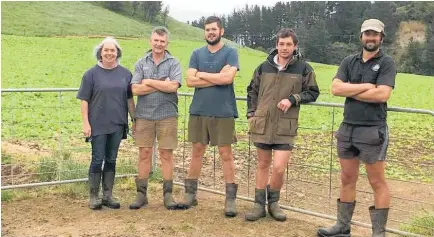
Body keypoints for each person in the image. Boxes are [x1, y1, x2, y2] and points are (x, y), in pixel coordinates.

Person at [317, 19, 396, 237]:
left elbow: (382, 94)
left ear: (381, 37)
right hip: (347, 129)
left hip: (373, 130)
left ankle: (378, 233)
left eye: (375, 34)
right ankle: (343, 227)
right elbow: (335, 88)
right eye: (367, 33)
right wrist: (366, 87)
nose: (370, 38)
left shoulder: (387, 62)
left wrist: (349, 89)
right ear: (361, 36)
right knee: (346, 178)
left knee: (377, 182)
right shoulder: (348, 61)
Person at [245, 28, 320, 222]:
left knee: (278, 167)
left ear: (295, 46)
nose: (284, 48)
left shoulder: (304, 68)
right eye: (281, 44)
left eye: (288, 44)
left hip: (285, 126)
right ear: (276, 45)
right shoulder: (263, 67)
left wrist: (293, 99)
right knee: (262, 164)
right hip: (262, 123)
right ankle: (258, 205)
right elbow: (251, 91)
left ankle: (274, 203)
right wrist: (251, 114)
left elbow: (313, 92)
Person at [178, 16, 240, 217]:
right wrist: (217, 78)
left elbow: (228, 78)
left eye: (214, 29)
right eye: (207, 30)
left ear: (221, 31)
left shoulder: (231, 52)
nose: (210, 32)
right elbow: (189, 81)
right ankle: (190, 194)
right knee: (196, 151)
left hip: (223, 111)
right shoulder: (196, 53)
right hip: (199, 110)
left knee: (225, 154)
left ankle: (230, 199)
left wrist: (202, 75)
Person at [77, 37, 136, 210]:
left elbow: (130, 99)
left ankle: (108, 195)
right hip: (98, 124)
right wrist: (85, 123)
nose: (109, 53)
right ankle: (94, 196)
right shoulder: (91, 74)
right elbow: (84, 100)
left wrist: (134, 119)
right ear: (100, 53)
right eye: (106, 50)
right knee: (97, 159)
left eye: (113, 50)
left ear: (118, 53)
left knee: (111, 159)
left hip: (117, 123)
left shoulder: (126, 74)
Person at [128, 27, 182, 210]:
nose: (159, 44)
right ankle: (141, 195)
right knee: (144, 154)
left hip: (167, 115)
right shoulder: (141, 62)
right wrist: (162, 84)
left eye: (162, 41)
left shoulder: (174, 63)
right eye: (156, 40)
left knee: (166, 154)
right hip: (144, 116)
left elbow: (173, 86)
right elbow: (135, 89)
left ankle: (168, 195)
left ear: (167, 43)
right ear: (150, 41)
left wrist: (149, 81)